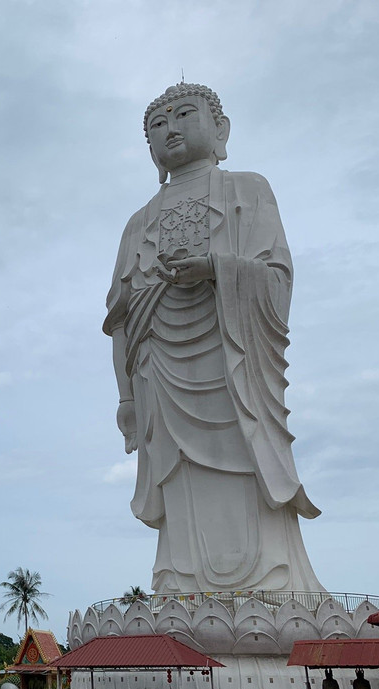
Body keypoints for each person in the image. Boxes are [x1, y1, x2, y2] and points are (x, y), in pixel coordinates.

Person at [103, 83, 325, 595]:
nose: (172, 129)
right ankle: (179, 584)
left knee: (244, 455)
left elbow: (277, 275)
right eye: (158, 126)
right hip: (158, 366)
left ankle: (275, 582)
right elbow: (120, 320)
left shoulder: (248, 191)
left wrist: (216, 269)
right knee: (178, 476)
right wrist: (126, 397)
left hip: (233, 358)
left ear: (219, 129)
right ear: (150, 149)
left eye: (184, 115)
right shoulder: (138, 223)